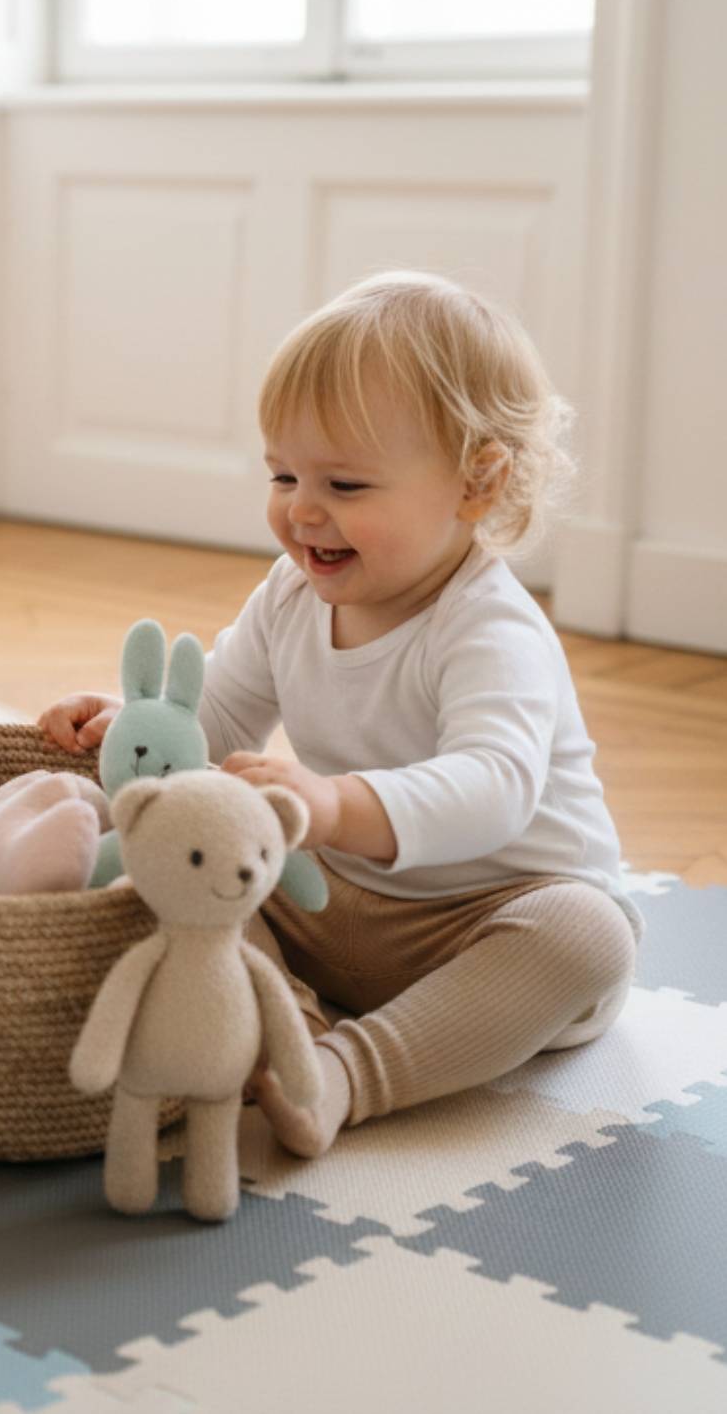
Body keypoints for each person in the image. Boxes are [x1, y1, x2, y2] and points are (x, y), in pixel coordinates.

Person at [40, 270, 639, 1159]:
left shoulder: (490, 627)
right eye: (283, 474)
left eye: (347, 485)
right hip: (323, 900)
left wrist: (333, 804)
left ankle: (346, 1073)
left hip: (481, 919)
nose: (302, 510)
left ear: (477, 484)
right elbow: (218, 723)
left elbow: (495, 788)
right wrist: (142, 730)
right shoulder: (289, 596)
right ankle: (286, 1025)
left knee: (589, 938)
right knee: (178, 858)